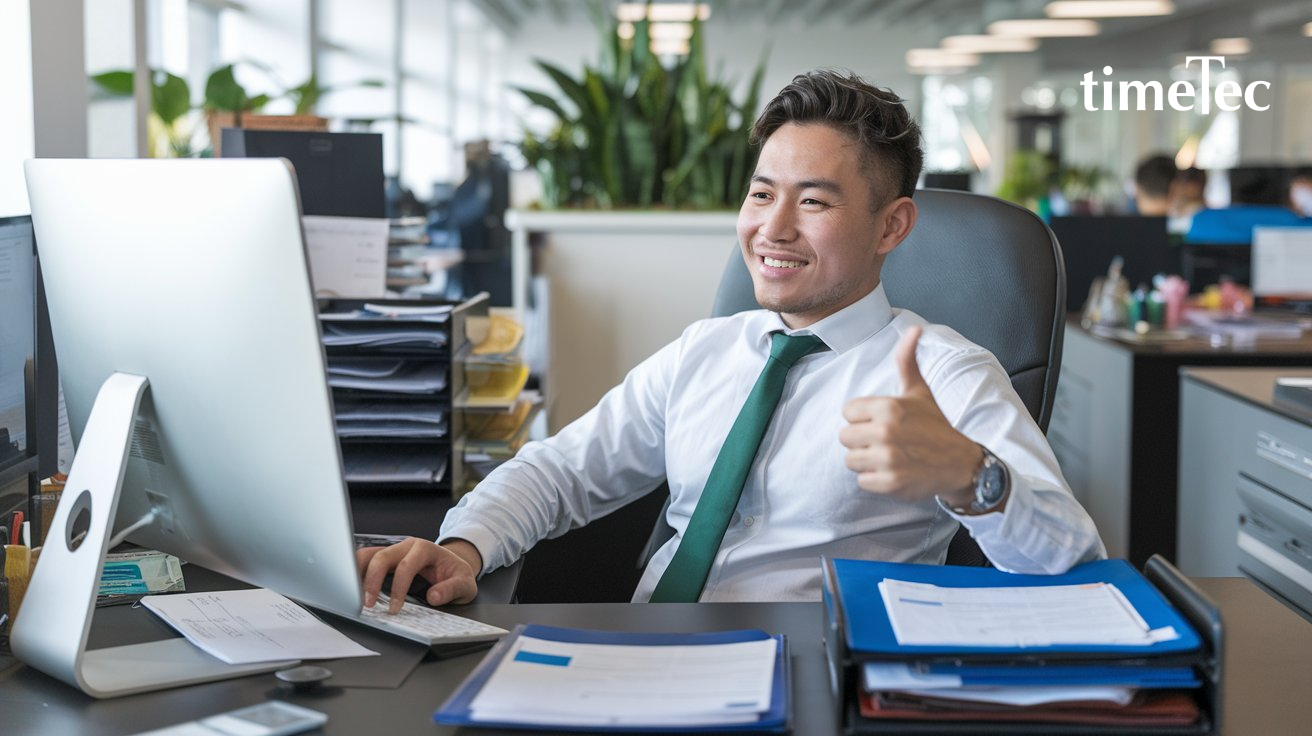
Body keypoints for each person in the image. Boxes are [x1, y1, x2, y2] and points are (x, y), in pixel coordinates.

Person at [359, 70, 1104, 609]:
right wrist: (462, 546)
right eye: (759, 193)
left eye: (813, 201)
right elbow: (561, 471)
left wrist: (971, 476)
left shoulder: (943, 373)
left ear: (891, 226)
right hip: (647, 661)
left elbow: (1079, 569)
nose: (772, 228)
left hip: (807, 675)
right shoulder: (707, 350)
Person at [1168, 167, 1207, 235]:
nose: (1173, 188)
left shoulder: (1200, 218)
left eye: (1179, 184)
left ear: (1193, 187)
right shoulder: (1171, 214)